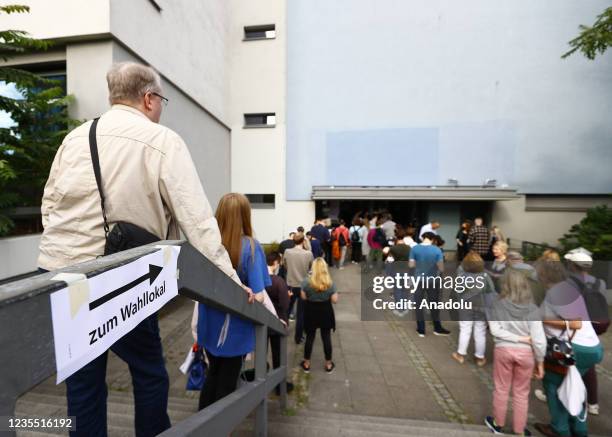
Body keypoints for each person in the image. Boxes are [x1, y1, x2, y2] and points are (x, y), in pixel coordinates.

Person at [38, 62, 251, 437]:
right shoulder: (163, 141)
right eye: (162, 100)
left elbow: (49, 204)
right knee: (149, 373)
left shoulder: (76, 138)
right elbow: (198, 222)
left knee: (82, 384)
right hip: (121, 278)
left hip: (63, 276)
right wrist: (232, 283)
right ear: (149, 98)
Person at [198, 193, 268, 411]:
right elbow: (259, 294)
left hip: (209, 323)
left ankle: (202, 423)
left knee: (213, 375)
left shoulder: (207, 245)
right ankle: (218, 427)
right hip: (235, 329)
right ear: (246, 215)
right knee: (227, 383)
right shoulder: (251, 247)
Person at [533, 260, 604, 437]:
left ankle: (560, 429)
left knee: (553, 385)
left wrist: (542, 320)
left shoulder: (558, 292)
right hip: (589, 347)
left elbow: (576, 322)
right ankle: (579, 429)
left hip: (574, 348)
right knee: (573, 384)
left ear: (544, 275)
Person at [485, 268, 546, 436]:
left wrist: (516, 339)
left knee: (501, 388)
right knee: (521, 392)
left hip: (503, 350)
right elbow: (539, 340)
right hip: (526, 354)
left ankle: (498, 424)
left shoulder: (497, 305)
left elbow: (495, 330)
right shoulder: (533, 309)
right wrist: (540, 362)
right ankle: (519, 430)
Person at [565, 248, 608, 416]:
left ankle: (560, 396)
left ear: (572, 266)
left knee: (567, 360)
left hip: (576, 325)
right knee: (588, 365)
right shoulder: (600, 283)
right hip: (595, 326)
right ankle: (593, 403)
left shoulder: (568, 283)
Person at [452, 251, 496, 367]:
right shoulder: (485, 276)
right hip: (481, 307)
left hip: (465, 306)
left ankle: (460, 354)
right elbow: (491, 294)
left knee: (465, 329)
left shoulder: (462, 276)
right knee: (480, 331)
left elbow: (457, 292)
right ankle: (479, 357)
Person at [300, 258, 338, 374]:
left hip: (311, 310)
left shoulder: (306, 282)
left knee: (310, 337)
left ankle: (306, 363)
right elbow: (335, 300)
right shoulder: (330, 282)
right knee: (326, 337)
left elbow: (303, 297)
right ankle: (328, 364)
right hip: (325, 311)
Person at [409, 232, 451, 337]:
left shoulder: (414, 249)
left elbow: (411, 265)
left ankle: (421, 330)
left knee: (418, 304)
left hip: (418, 279)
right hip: (433, 280)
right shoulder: (437, 250)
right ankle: (437, 328)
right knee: (434, 304)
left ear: (422, 238)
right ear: (432, 239)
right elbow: (441, 268)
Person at [265, 252, 294, 395]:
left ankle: (261, 382)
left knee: (261, 354)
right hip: (277, 323)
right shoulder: (278, 281)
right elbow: (285, 304)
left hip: (261, 322)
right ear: (275, 263)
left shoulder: (258, 279)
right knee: (278, 356)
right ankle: (279, 386)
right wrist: (287, 296)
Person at [284, 233, 314, 343]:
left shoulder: (287, 252)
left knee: (287, 309)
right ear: (303, 241)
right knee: (301, 313)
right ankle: (298, 337)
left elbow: (285, 265)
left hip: (291, 284)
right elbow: (311, 268)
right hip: (303, 286)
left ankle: (283, 330)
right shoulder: (308, 253)